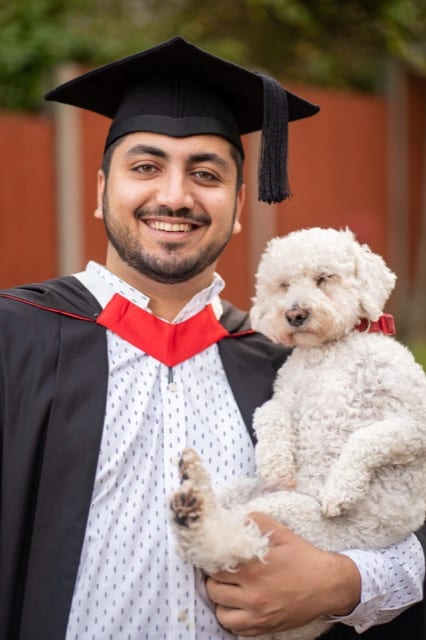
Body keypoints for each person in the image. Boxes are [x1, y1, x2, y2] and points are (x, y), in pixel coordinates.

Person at [0, 36, 424, 640]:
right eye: (145, 167)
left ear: (239, 203)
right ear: (99, 192)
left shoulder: (289, 360)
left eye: (205, 173)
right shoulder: (15, 339)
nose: (175, 195)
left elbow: (404, 525)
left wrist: (343, 582)